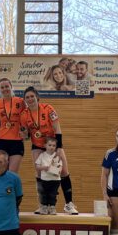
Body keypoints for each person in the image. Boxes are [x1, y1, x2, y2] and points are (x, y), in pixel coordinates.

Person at [22, 86, 77, 214]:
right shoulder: (24, 114)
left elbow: (57, 128)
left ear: (37, 97)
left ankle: (69, 204)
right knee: (40, 173)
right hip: (37, 145)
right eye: (27, 97)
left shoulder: (48, 108)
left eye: (32, 96)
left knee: (63, 171)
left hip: (53, 144)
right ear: (25, 100)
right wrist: (24, 135)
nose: (30, 99)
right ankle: (42, 205)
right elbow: (26, 135)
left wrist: (59, 148)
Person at [0, 77, 26, 174]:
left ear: (11, 87)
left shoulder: (20, 101)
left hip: (17, 141)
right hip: (2, 141)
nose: (5, 89)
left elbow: (27, 117)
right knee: (0, 172)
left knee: (12, 173)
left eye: (7, 86)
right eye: (2, 87)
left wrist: (25, 131)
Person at [34, 137, 62, 216]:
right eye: (49, 145)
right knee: (43, 194)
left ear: (55, 147)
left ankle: (52, 207)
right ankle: (44, 207)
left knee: (53, 194)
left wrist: (58, 171)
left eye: (53, 145)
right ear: (45, 145)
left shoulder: (57, 156)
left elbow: (60, 166)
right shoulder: (42, 155)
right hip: (44, 179)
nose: (51, 147)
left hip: (55, 180)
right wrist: (43, 168)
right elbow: (37, 166)